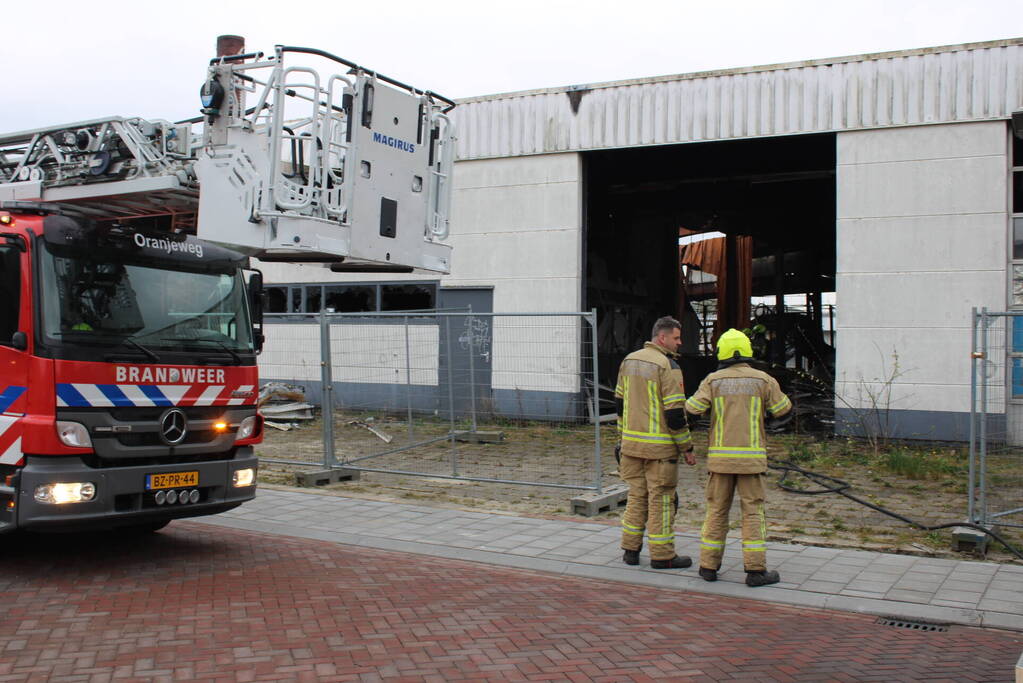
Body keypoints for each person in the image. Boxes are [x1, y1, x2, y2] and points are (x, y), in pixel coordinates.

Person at [685, 328, 792, 587]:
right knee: (753, 513)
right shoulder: (762, 380)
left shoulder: (713, 380)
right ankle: (755, 572)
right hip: (751, 461)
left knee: (716, 511)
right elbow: (784, 410)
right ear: (747, 351)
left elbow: (692, 409)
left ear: (721, 351)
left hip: (720, 461)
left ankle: (708, 567)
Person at [614, 316, 696, 569]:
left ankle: (630, 550)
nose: (680, 343)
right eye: (676, 337)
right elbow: (674, 415)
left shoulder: (629, 361)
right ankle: (662, 556)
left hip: (631, 446)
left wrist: (622, 439)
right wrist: (687, 448)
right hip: (659, 450)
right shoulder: (667, 366)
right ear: (662, 337)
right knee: (661, 501)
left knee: (636, 497)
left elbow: (620, 404)